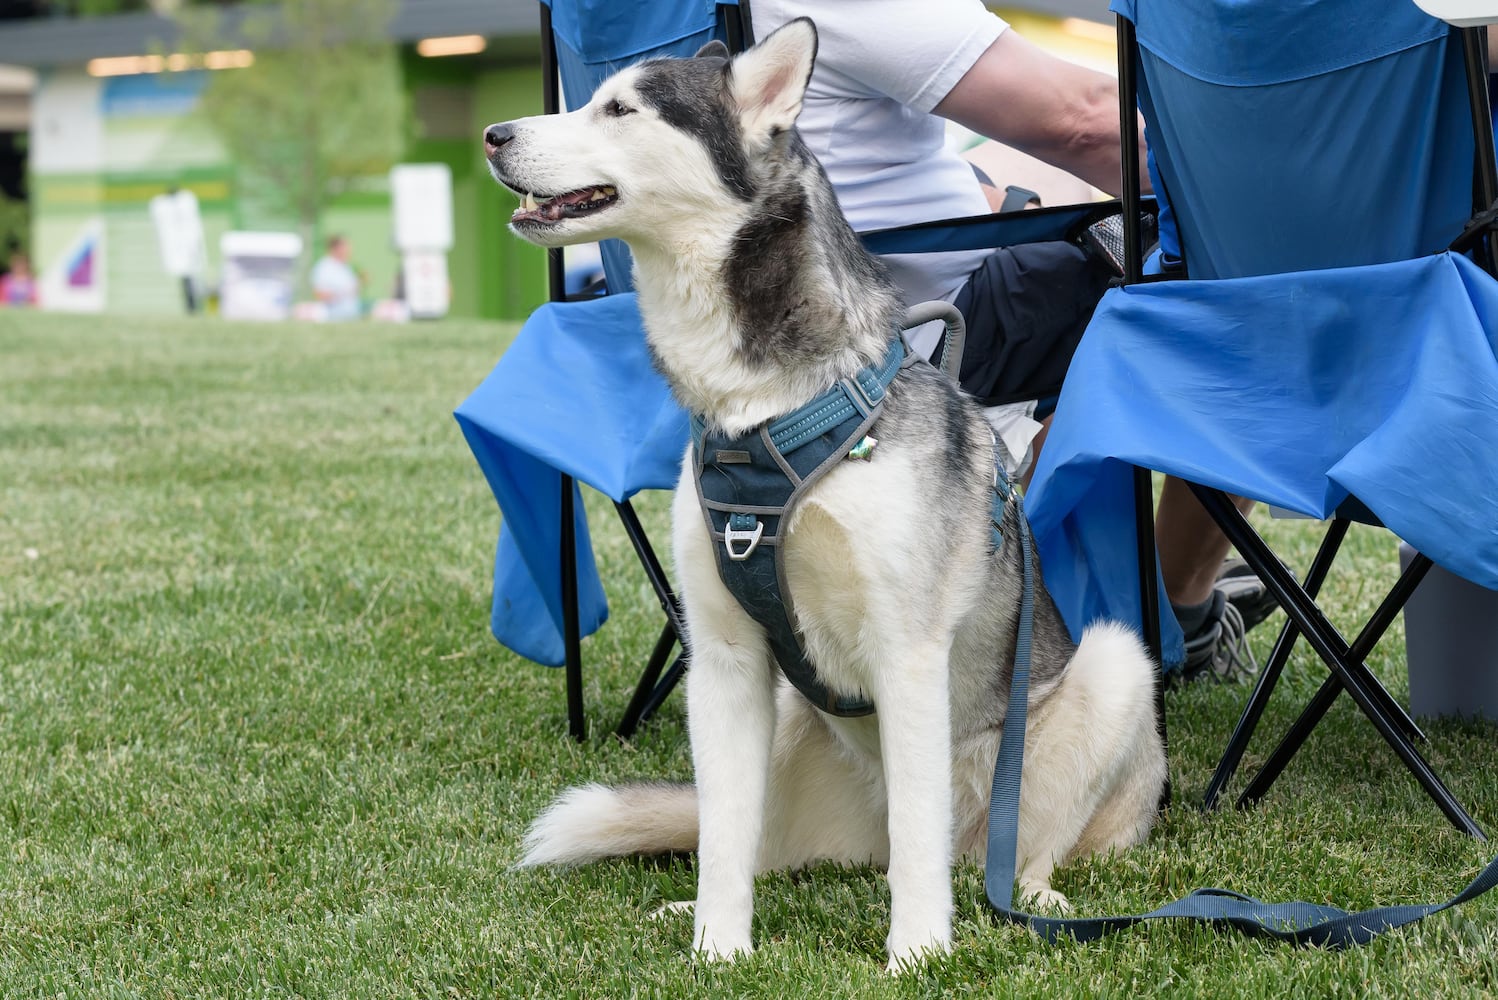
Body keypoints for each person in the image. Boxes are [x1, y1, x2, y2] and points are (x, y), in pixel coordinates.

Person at [749, 0, 1274, 680]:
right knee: (1229, 283)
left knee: (1074, 214)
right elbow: (1087, 123)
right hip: (912, 338)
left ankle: (1145, 592)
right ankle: (1176, 608)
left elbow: (851, 158)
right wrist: (1278, 180)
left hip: (766, 338)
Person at [310, 234, 364, 320]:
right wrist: (341, 293)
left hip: (351, 315)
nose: (349, 250)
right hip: (333, 316)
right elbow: (320, 294)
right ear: (336, 248)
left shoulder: (346, 267)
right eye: (345, 247)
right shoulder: (324, 267)